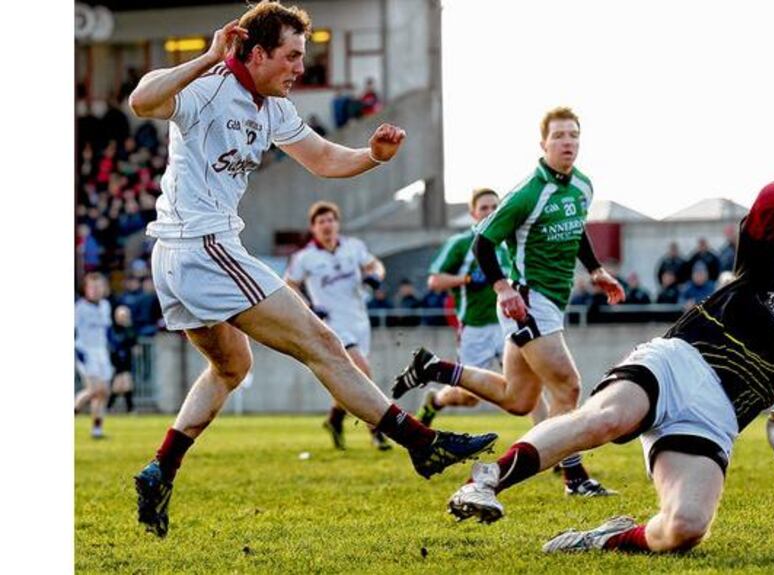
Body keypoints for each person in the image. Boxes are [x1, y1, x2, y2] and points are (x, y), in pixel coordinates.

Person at [126, 1, 497, 538]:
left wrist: (373, 155)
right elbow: (141, 100)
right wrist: (206, 57)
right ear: (255, 53)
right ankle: (423, 443)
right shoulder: (207, 88)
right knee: (322, 343)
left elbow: (323, 159)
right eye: (292, 56)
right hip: (201, 245)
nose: (301, 67)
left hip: (182, 255)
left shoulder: (273, 107)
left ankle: (162, 467)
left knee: (232, 367)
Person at [443, 146, 774, 554]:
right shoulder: (771, 265)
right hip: (677, 363)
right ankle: (485, 482)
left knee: (685, 528)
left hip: (716, 420)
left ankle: (603, 538)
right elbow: (769, 200)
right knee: (604, 418)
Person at [392, 107, 625, 497]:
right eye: (559, 136)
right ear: (543, 144)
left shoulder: (581, 186)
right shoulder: (527, 193)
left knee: (519, 400)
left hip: (548, 301)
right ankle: (575, 478)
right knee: (567, 388)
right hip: (530, 301)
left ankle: (435, 367)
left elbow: (577, 227)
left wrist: (596, 270)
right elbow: (484, 240)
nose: (568, 142)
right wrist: (504, 288)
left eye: (573, 135)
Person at [284, 201, 392, 451]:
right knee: (362, 372)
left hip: (359, 320)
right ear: (313, 228)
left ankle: (335, 418)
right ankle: (376, 431)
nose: (327, 225)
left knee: (348, 381)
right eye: (321, 222)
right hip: (331, 325)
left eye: (331, 220)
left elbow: (375, 265)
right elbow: (289, 286)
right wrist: (309, 305)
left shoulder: (353, 247)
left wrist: (375, 275)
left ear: (337, 224)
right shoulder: (304, 257)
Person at [415, 188, 513, 426]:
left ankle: (553, 451)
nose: (490, 212)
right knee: (470, 398)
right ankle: (436, 401)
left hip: (508, 326)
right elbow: (434, 281)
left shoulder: (508, 243)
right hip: (475, 329)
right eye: (484, 208)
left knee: (526, 385)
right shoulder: (461, 244)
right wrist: (467, 280)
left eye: (494, 207)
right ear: (472, 213)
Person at [74, 273, 114, 439]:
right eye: (92, 287)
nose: (96, 290)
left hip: (101, 352)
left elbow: (107, 329)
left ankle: (97, 429)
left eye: (99, 287)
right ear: (86, 289)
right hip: (85, 351)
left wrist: (114, 346)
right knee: (94, 389)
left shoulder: (105, 305)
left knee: (104, 392)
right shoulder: (80, 307)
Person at [107, 305, 138, 413]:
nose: (124, 318)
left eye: (125, 316)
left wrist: (128, 327)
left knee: (125, 383)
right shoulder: (112, 328)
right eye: (122, 316)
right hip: (116, 359)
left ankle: (127, 408)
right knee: (119, 385)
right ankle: (112, 406)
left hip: (126, 359)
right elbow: (112, 343)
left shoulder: (129, 328)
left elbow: (133, 342)